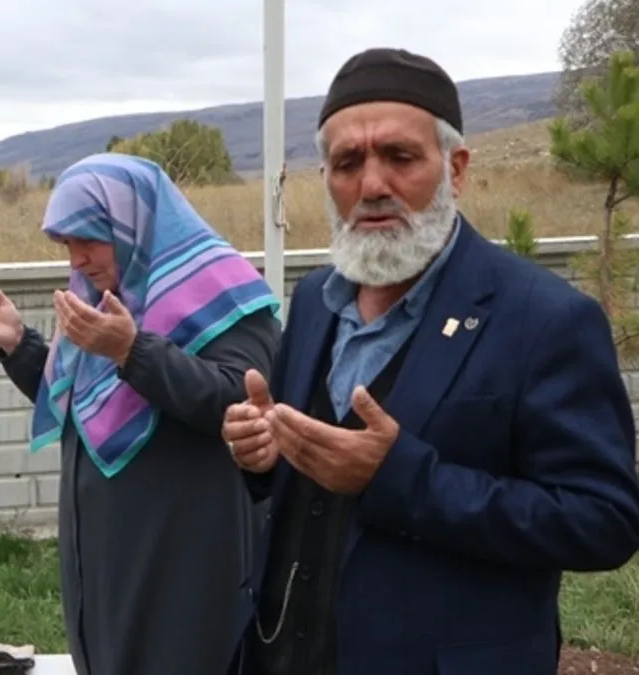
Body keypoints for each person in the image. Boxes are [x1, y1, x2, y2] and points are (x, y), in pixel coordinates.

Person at [221, 47, 639, 675]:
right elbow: (303, 483)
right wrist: (264, 453)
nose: (372, 185)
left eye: (400, 157)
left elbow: (602, 521)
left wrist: (402, 479)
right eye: (347, 163)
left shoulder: (545, 319)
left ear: (457, 168)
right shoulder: (313, 300)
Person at [0, 153, 282, 675]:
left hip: (184, 560)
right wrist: (21, 346)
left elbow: (239, 402)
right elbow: (90, 403)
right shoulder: (105, 302)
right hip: (106, 566)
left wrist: (132, 351)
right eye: (67, 245)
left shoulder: (226, 297)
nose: (78, 258)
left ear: (134, 222)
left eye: (90, 238)